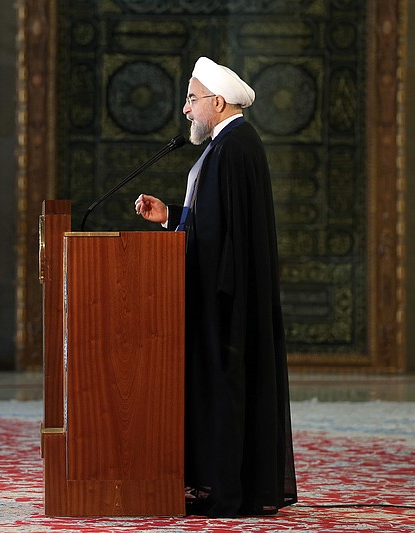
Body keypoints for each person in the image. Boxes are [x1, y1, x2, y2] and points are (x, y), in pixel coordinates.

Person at [134, 57, 297, 517]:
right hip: (220, 293)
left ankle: (228, 493)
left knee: (226, 390)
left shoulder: (234, 148)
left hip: (225, 302)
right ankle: (217, 486)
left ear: (217, 102)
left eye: (192, 99)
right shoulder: (227, 146)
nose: (186, 110)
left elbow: (222, 236)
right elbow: (213, 224)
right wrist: (170, 218)